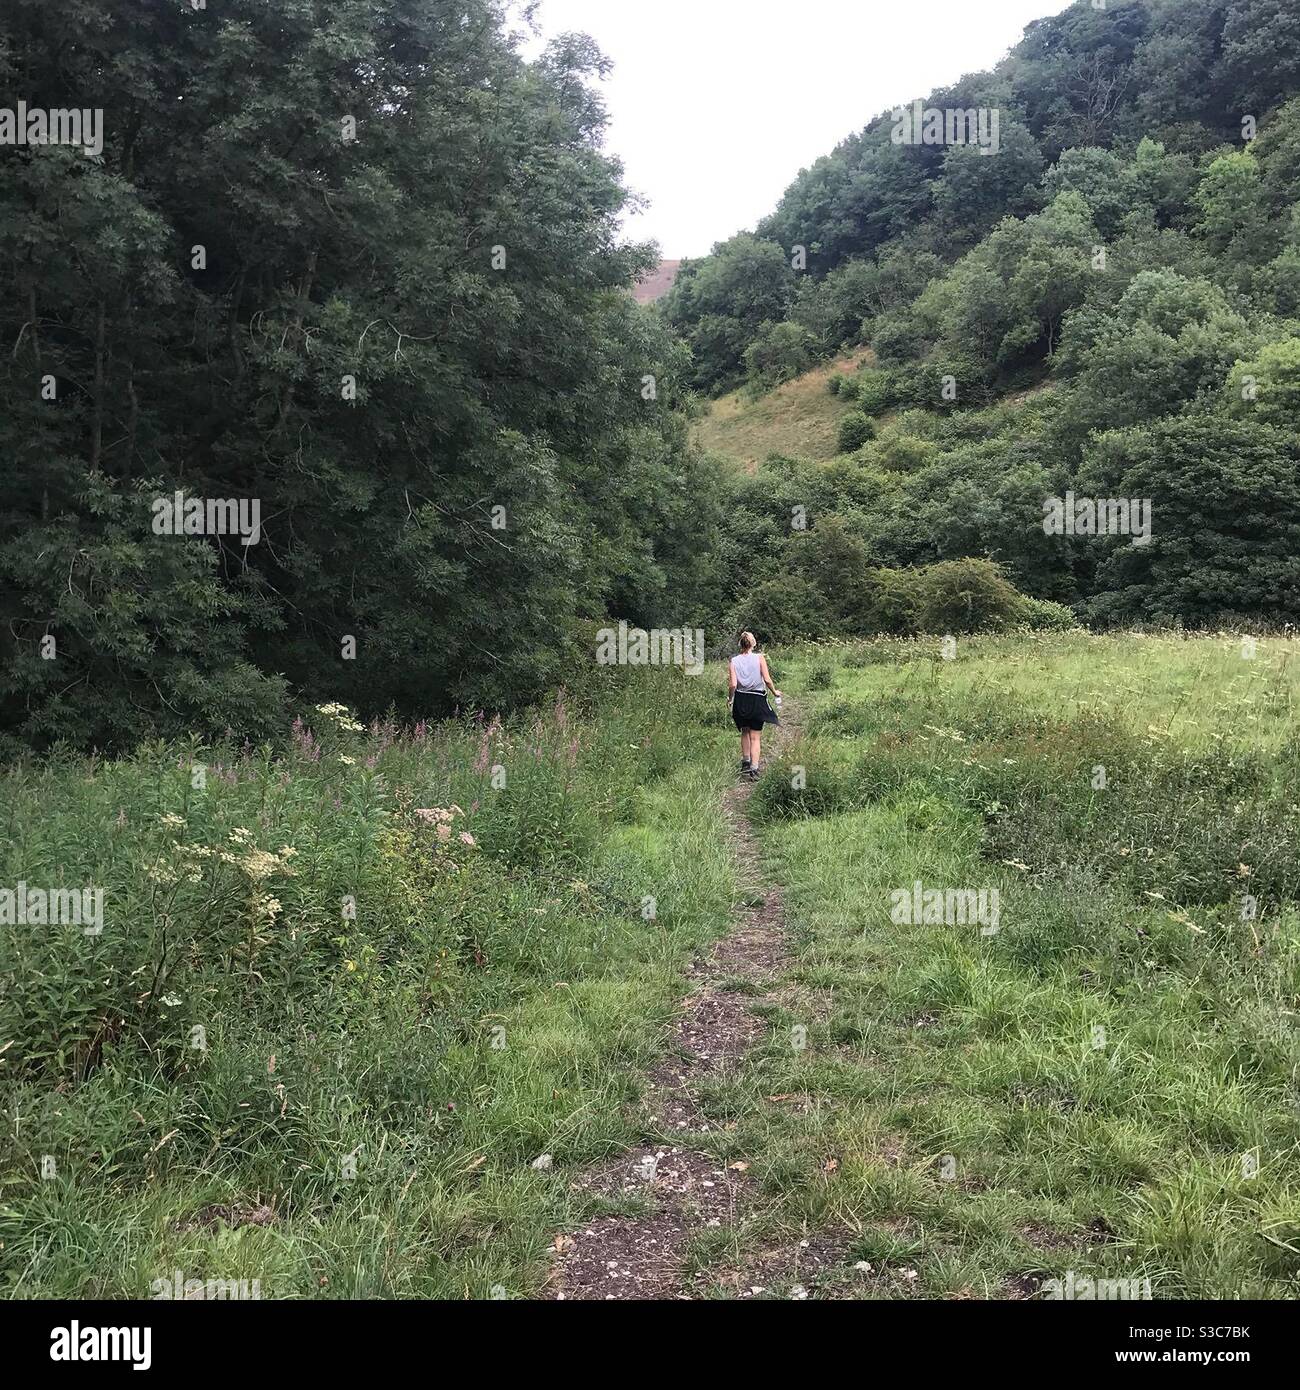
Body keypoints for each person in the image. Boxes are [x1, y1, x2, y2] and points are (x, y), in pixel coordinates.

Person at [727, 631, 780, 779]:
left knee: (745, 731)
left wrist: (730, 699)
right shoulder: (759, 658)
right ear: (753, 643)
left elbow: (733, 684)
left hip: (741, 699)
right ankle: (754, 770)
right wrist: (775, 692)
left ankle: (745, 764)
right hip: (757, 699)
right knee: (755, 736)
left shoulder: (734, 661)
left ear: (740, 644)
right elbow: (767, 680)